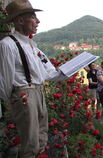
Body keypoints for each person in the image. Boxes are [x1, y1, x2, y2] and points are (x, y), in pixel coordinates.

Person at [0, 0, 83, 157]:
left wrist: (72, 68)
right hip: (25, 94)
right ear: (19, 20)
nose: (38, 21)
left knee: (42, 136)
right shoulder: (7, 45)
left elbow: (49, 73)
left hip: (39, 91)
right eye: (33, 17)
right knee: (30, 142)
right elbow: (4, 80)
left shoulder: (33, 46)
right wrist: (15, 99)